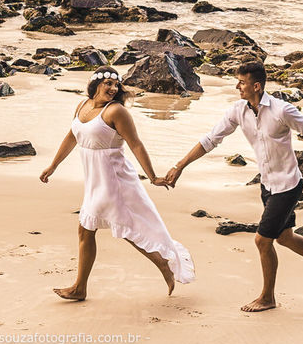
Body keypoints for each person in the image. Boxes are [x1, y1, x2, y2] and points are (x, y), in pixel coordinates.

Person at [163, 61, 303, 313]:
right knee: (284, 238)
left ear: (256, 86)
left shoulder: (282, 111)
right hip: (267, 184)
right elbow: (210, 140)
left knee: (263, 240)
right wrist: (180, 165)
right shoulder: (238, 111)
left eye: (241, 82)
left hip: (287, 185)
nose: (237, 86)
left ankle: (268, 297)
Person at [40, 66, 195, 301]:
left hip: (114, 180)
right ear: (95, 84)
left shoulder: (116, 112)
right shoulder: (82, 106)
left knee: (98, 228)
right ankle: (159, 264)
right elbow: (72, 135)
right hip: (95, 181)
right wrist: (53, 165)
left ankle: (82, 287)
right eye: (108, 84)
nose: (113, 89)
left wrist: (152, 177)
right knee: (119, 228)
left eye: (116, 85)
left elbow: (136, 144)